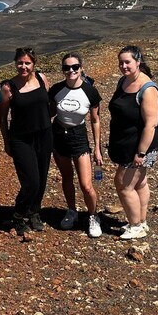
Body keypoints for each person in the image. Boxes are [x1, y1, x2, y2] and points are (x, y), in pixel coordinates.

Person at [108, 45, 158, 240]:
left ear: (138, 62)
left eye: (127, 62)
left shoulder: (147, 88)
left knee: (123, 184)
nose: (123, 66)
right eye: (121, 62)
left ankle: (135, 225)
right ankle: (142, 221)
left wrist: (141, 153)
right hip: (126, 142)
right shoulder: (124, 81)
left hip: (140, 146)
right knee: (139, 183)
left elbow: (151, 124)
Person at [0, 47, 53, 236]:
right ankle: (19, 213)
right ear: (15, 63)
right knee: (31, 181)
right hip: (21, 138)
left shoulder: (41, 79)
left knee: (43, 178)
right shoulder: (8, 87)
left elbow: (48, 104)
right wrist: (7, 141)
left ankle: (34, 211)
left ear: (34, 64)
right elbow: (2, 117)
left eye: (27, 63)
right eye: (20, 63)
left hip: (44, 135)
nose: (23, 66)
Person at [49, 53, 103, 238]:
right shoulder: (56, 90)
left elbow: (95, 120)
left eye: (75, 67)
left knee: (86, 184)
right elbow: (49, 114)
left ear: (81, 68)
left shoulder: (90, 91)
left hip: (78, 136)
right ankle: (71, 211)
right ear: (62, 69)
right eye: (67, 67)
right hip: (59, 135)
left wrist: (97, 148)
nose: (71, 71)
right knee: (66, 178)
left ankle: (93, 216)